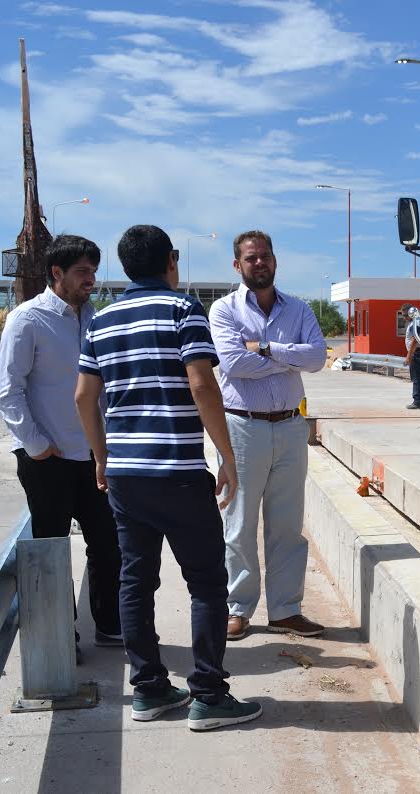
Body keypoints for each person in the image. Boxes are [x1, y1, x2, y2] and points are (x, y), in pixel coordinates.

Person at [75, 224, 261, 731]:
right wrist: (226, 455)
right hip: (178, 472)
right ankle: (208, 695)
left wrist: (101, 457)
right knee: (206, 582)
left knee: (135, 580)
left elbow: (83, 397)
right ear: (171, 261)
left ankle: (151, 690)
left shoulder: (103, 320)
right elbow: (202, 384)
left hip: (127, 477)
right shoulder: (184, 311)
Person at [0, 234, 122, 659]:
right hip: (47, 458)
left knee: (107, 542)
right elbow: (8, 391)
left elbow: (101, 387)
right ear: (57, 273)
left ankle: (109, 623)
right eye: (82, 272)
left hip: (92, 455)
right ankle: (61, 636)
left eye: (93, 271)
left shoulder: (95, 317)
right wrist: (36, 445)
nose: (91, 280)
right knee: (51, 548)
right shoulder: (27, 320)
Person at [208, 230, 326, 642]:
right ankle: (238, 609)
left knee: (288, 525)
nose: (260, 263)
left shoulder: (299, 308)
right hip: (243, 427)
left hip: (292, 426)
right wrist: (286, 356)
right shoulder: (223, 310)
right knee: (239, 524)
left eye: (266, 257)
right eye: (251, 258)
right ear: (237, 265)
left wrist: (266, 349)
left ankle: (286, 610)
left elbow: (316, 358)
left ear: (275, 261)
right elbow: (233, 363)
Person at [402, 305, 420, 410]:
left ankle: (418, 401)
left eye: (405, 315)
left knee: (416, 378)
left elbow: (415, 339)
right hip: (419, 352)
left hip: (417, 353)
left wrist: (409, 355)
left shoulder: (416, 321)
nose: (404, 318)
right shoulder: (418, 320)